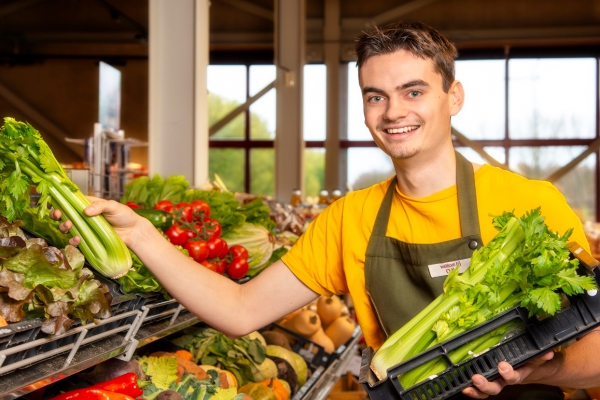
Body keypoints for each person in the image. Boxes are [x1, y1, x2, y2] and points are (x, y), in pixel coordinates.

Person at [53, 21, 600, 399]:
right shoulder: (349, 220)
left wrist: (533, 374)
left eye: (414, 91)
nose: (393, 112)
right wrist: (143, 235)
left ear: (452, 97)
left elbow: (596, 354)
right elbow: (241, 311)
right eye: (375, 95)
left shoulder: (530, 204)